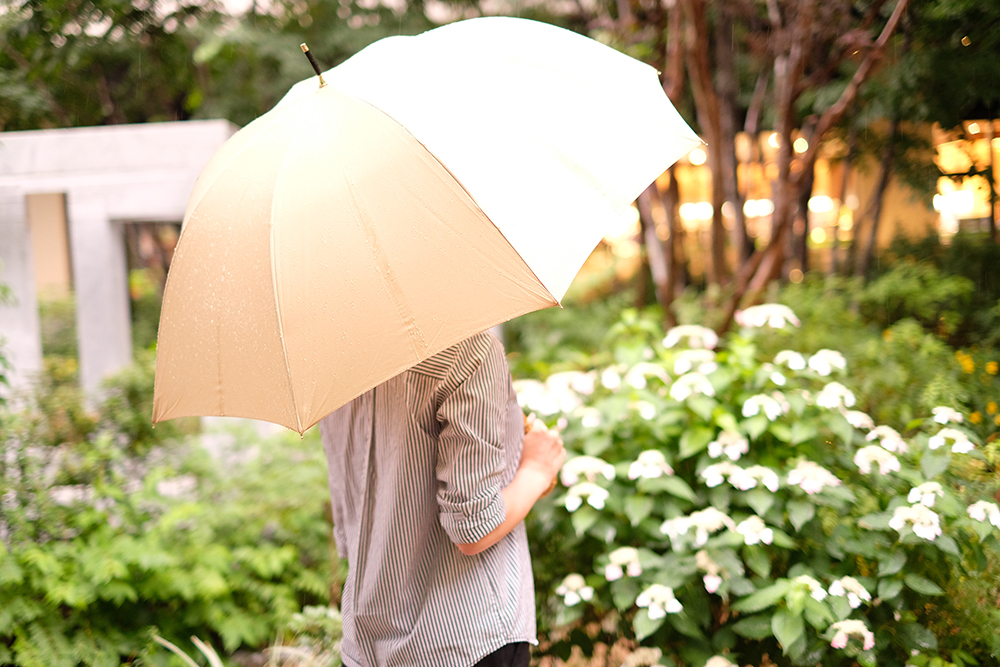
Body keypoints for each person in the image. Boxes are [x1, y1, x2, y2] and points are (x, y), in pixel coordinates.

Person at [319, 329, 565, 667]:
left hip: (367, 642)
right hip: (462, 640)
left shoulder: (335, 359)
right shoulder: (468, 350)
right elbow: (474, 527)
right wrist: (537, 470)